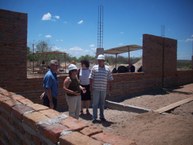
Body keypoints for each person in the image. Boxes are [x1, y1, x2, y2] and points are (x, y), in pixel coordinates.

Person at [89, 54, 113, 123]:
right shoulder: (94, 68)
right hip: (95, 89)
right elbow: (91, 78)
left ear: (104, 61)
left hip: (103, 89)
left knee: (102, 104)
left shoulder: (107, 69)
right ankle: (94, 117)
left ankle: (102, 117)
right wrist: (90, 87)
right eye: (99, 60)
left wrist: (110, 87)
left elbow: (110, 79)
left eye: (101, 61)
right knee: (95, 104)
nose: (99, 62)